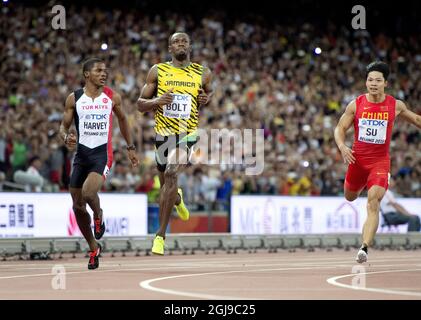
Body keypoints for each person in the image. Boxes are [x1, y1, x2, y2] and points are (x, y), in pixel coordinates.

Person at [334, 61, 421, 263]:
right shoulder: (355, 105)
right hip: (357, 161)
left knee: (373, 202)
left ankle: (364, 247)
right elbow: (339, 128)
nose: (373, 84)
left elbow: (417, 120)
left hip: (380, 163)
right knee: (350, 197)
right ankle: (360, 185)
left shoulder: (395, 105)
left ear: (386, 83)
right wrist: (342, 147)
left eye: (378, 80)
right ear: (366, 82)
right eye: (370, 80)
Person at [137, 32, 213, 255]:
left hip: (187, 134)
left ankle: (160, 236)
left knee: (171, 173)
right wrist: (158, 101)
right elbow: (140, 104)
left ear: (190, 46)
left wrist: (207, 99)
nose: (181, 44)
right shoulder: (158, 71)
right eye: (176, 41)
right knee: (166, 187)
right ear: (170, 48)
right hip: (163, 134)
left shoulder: (202, 72)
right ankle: (177, 198)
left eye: (185, 41)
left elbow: (209, 92)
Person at [60, 57, 139, 269]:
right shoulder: (74, 98)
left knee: (87, 193)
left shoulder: (112, 97)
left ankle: (98, 214)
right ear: (87, 74)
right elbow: (63, 127)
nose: (104, 74)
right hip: (81, 156)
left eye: (105, 71)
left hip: (102, 155)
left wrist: (130, 148)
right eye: (98, 71)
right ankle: (93, 247)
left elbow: (123, 120)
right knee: (77, 206)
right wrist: (66, 137)